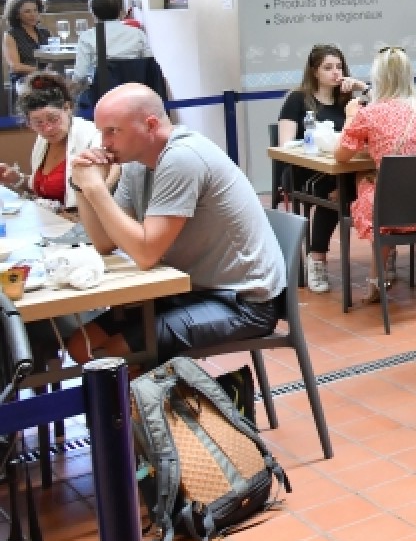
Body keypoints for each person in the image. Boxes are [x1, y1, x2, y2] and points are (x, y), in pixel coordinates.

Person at [64, 84, 285, 363]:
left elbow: (145, 254)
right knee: (80, 345)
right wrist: (82, 186)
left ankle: (160, 404)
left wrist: (96, 189)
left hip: (241, 302)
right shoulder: (136, 162)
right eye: (101, 132)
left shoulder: (182, 157)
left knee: (112, 357)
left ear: (150, 125)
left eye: (113, 131)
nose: (103, 143)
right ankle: (139, 402)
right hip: (186, 290)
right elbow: (106, 242)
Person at [335, 46, 416, 302]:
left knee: (365, 180)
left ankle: (376, 279)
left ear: (378, 78)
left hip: (389, 216)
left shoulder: (369, 114)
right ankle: (379, 275)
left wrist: (351, 116)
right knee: (383, 183)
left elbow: (341, 156)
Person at [275, 44, 367, 294]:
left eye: (339, 67)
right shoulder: (297, 99)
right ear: (315, 71)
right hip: (303, 170)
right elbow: (284, 146)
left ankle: (385, 255)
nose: (335, 73)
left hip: (339, 167)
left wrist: (361, 88)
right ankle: (317, 260)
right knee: (337, 189)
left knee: (363, 182)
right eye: (328, 68)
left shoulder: (346, 100)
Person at [0, 72, 108, 210]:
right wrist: (17, 179)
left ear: (67, 108)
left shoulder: (92, 137)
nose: (48, 128)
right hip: (50, 223)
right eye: (38, 123)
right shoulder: (43, 140)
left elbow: (99, 196)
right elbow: (44, 189)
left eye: (53, 119)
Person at [71, 0, 153, 89]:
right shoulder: (138, 34)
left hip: (103, 95)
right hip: (134, 92)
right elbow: (150, 65)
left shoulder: (88, 37)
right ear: (119, 11)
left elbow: (80, 75)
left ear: (93, 13)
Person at [3, 0, 49, 91]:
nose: (33, 15)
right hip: (24, 79)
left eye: (35, 10)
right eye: (27, 11)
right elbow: (15, 66)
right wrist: (41, 72)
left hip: (46, 77)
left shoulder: (45, 32)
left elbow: (53, 57)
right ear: (17, 15)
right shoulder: (11, 34)